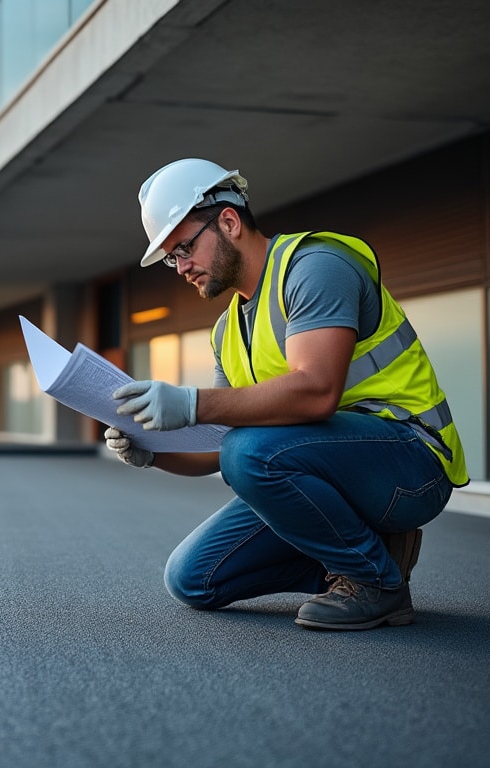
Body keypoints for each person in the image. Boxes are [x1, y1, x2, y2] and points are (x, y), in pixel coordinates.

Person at [106, 158, 468, 631]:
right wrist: (151, 451)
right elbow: (220, 443)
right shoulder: (227, 332)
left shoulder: (316, 268)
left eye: (185, 247)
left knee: (250, 450)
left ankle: (376, 583)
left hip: (411, 463)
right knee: (192, 578)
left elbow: (316, 391)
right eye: (172, 257)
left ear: (230, 221)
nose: (181, 267)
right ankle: (369, 559)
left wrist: (189, 403)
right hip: (333, 472)